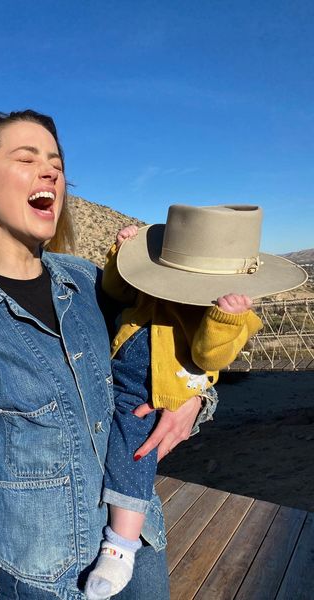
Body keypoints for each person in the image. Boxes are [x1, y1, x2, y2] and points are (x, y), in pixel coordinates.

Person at [0, 110, 207, 600]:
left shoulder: (89, 284)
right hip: (47, 584)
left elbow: (166, 348)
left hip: (138, 552)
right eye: (26, 158)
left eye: (56, 161)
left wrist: (195, 401)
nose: (51, 171)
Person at [85, 205, 308, 600]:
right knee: (126, 447)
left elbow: (210, 357)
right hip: (117, 376)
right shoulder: (149, 284)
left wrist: (225, 321)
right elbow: (114, 291)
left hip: (151, 393)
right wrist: (119, 258)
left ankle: (121, 542)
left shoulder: (219, 310)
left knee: (133, 452)